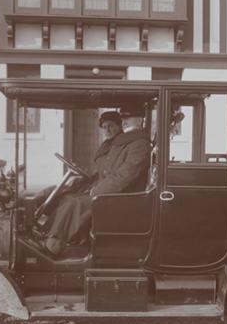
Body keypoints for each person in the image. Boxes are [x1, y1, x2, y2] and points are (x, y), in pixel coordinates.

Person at [41, 104, 151, 256]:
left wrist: (96, 191)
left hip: (121, 198)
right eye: (123, 118)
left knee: (75, 203)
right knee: (68, 198)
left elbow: (123, 178)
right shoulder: (126, 141)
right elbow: (106, 171)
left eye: (129, 118)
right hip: (111, 193)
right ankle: (51, 235)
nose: (125, 121)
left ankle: (53, 246)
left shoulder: (140, 145)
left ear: (139, 120)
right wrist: (89, 182)